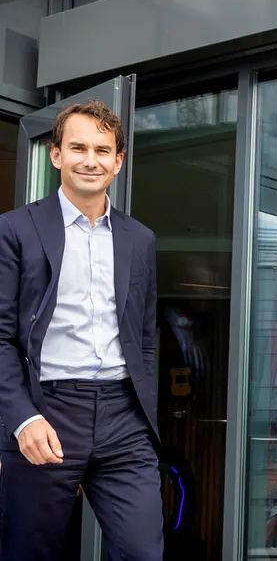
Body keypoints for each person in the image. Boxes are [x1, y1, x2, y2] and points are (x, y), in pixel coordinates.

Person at [0, 100, 163, 560]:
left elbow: (144, 338)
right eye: (78, 148)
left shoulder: (141, 239)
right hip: (47, 410)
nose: (90, 160)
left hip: (123, 418)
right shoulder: (15, 229)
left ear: (118, 161)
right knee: (29, 552)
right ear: (56, 154)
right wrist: (22, 418)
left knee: (142, 552)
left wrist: (142, 412)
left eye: (102, 150)